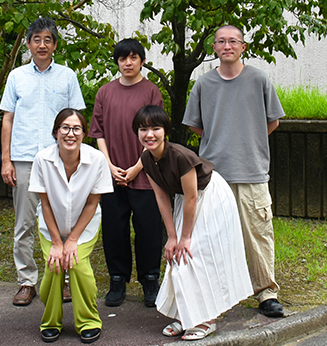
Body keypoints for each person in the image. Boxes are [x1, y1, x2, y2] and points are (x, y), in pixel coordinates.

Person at [183, 24, 286, 317]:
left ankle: (266, 293)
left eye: (233, 41)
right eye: (221, 42)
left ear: (242, 46)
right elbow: (195, 125)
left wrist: (248, 141)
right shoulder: (204, 84)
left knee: (258, 235)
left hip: (252, 171)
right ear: (213, 48)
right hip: (214, 175)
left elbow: (273, 121)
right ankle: (219, 294)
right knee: (214, 235)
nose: (227, 46)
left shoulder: (258, 79)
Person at [132, 105, 253, 340]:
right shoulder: (146, 159)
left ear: (165, 131)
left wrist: (185, 237)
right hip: (186, 200)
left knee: (195, 253)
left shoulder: (180, 155)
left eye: (155, 128)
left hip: (210, 196)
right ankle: (186, 315)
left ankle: (207, 320)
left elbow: (192, 196)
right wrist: (172, 237)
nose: (149, 134)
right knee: (177, 254)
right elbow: (161, 197)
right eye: (143, 129)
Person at [0, 17, 85, 307]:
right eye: (37, 39)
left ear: (55, 44)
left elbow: (76, 118)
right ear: (28, 44)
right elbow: (8, 118)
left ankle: (61, 279)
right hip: (23, 158)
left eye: (48, 39)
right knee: (23, 223)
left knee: (60, 223)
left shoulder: (67, 76)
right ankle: (26, 281)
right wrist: (6, 159)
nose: (42, 44)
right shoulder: (16, 77)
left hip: (58, 159)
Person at [88, 38, 163, 308]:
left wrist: (136, 168)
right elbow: (98, 133)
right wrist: (109, 166)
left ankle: (150, 280)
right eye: (122, 58)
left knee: (149, 230)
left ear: (142, 60)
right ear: (117, 62)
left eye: (133, 57)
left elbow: (155, 135)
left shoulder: (151, 91)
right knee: (114, 230)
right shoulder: (104, 92)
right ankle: (117, 280)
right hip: (112, 176)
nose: (127, 63)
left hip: (145, 173)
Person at [28, 109, 113, 343]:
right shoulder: (42, 159)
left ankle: (88, 321)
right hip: (50, 226)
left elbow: (92, 203)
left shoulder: (96, 160)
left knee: (76, 265)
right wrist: (57, 242)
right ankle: (50, 322)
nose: (70, 133)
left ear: (84, 134)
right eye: (65, 127)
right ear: (56, 132)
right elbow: (44, 203)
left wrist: (72, 240)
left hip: (84, 227)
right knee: (54, 266)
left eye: (76, 129)